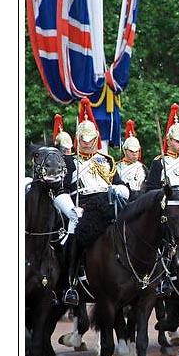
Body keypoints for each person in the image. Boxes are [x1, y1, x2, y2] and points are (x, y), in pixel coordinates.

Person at [53, 102, 128, 305]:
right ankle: (70, 284)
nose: (87, 143)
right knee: (74, 232)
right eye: (83, 140)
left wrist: (120, 190)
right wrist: (70, 209)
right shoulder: (68, 162)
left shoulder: (107, 160)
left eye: (91, 139)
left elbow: (119, 184)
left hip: (108, 203)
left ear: (96, 139)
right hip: (82, 205)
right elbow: (61, 190)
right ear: (78, 139)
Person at [116, 124, 147, 200]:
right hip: (124, 200)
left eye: (137, 151)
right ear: (125, 151)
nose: (134, 154)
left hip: (141, 199)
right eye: (131, 151)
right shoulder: (116, 167)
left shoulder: (143, 167)